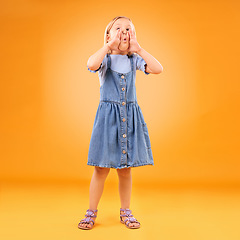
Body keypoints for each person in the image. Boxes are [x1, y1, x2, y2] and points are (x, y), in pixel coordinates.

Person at [78, 16, 163, 230]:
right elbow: (90, 63)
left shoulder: (134, 60)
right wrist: (107, 46)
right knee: (100, 169)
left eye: (129, 29)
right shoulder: (104, 60)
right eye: (118, 28)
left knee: (125, 169)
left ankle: (125, 210)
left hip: (129, 119)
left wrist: (139, 49)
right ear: (108, 35)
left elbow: (158, 68)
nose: (124, 32)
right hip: (108, 121)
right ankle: (91, 211)